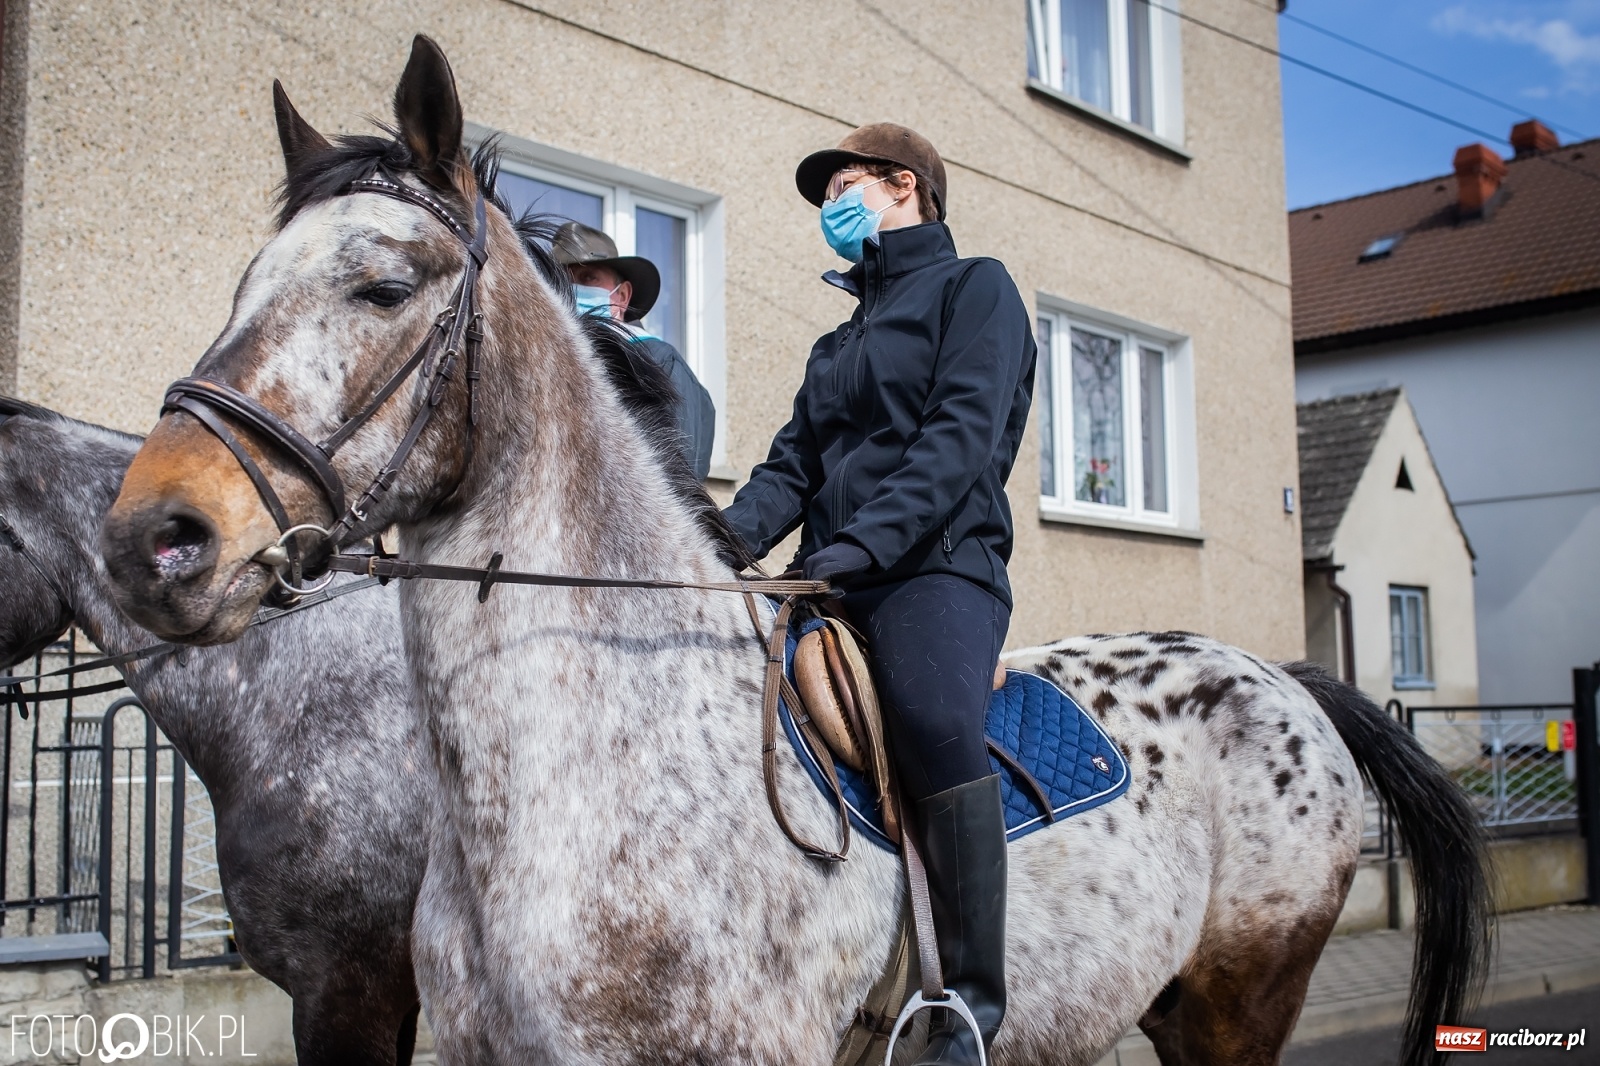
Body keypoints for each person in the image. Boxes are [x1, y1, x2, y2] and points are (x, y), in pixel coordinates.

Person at [723, 124, 1036, 1065]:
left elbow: (960, 443)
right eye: (824, 196)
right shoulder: (838, 339)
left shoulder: (975, 288)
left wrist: (857, 549)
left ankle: (973, 1006)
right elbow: (791, 467)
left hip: (935, 568)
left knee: (933, 716)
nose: (828, 208)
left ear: (905, 186)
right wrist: (718, 544)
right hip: (837, 573)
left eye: (843, 186)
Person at [551, 221, 715, 480]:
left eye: (588, 278)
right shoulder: (552, 367)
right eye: (563, 280)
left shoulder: (659, 362)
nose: (574, 291)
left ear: (623, 295)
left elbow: (679, 482)